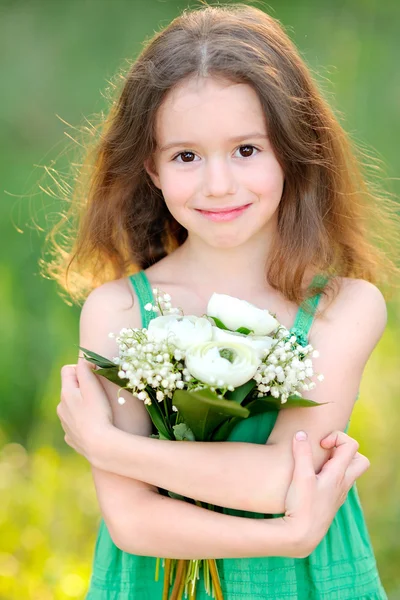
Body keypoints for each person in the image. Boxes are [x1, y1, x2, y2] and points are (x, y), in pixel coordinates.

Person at [50, 3, 398, 598]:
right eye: (186, 156)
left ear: (291, 149)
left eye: (246, 150)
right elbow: (132, 522)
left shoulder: (347, 307)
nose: (218, 184)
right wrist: (286, 534)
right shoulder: (120, 313)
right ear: (151, 169)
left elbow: (282, 476)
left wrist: (111, 447)